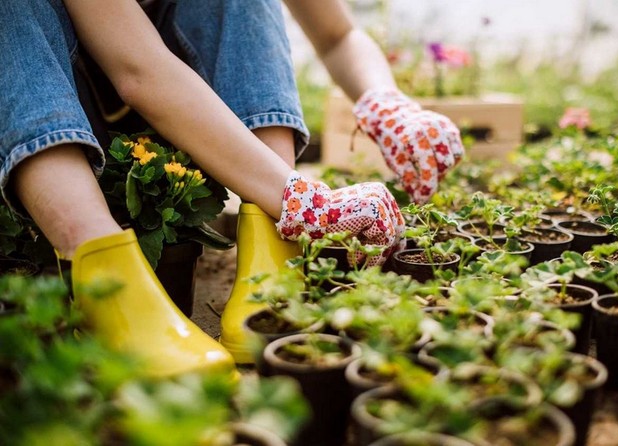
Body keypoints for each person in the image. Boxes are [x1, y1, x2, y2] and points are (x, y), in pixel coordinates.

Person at [0, 0, 464, 376]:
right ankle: (103, 279)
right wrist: (307, 200)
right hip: (53, 124)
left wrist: (387, 103)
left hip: (193, 127)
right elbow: (138, 71)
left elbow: (338, 35)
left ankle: (269, 240)